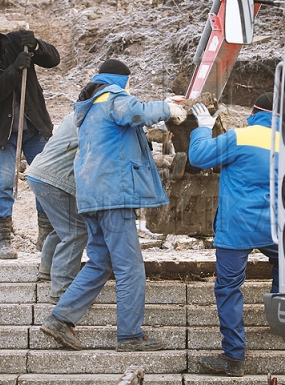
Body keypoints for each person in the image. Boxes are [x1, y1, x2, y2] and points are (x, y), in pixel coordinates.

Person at [40, 59, 187, 351]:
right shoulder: (113, 95)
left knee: (100, 262)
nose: (130, 89)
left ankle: (60, 319)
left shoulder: (92, 105)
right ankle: (130, 335)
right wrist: (167, 109)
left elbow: (124, 127)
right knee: (130, 267)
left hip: (91, 196)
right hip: (112, 197)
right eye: (129, 83)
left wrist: (163, 104)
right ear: (122, 80)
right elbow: (134, 111)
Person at [188, 93, 280, 377]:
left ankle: (234, 356)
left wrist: (203, 127)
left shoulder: (241, 136)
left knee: (228, 288)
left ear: (254, 112)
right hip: (275, 224)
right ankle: (280, 322)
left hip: (237, 225)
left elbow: (199, 157)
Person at [0, 26, 60, 259]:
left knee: (44, 181)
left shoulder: (18, 41)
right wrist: (15, 67)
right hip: (5, 133)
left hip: (34, 127)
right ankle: (3, 239)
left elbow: (53, 60)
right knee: (5, 183)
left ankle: (46, 235)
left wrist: (37, 45)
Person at [25, 112, 88, 302]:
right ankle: (63, 290)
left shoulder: (79, 113)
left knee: (64, 225)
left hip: (39, 174)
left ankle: (47, 268)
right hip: (53, 180)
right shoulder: (92, 118)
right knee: (75, 232)